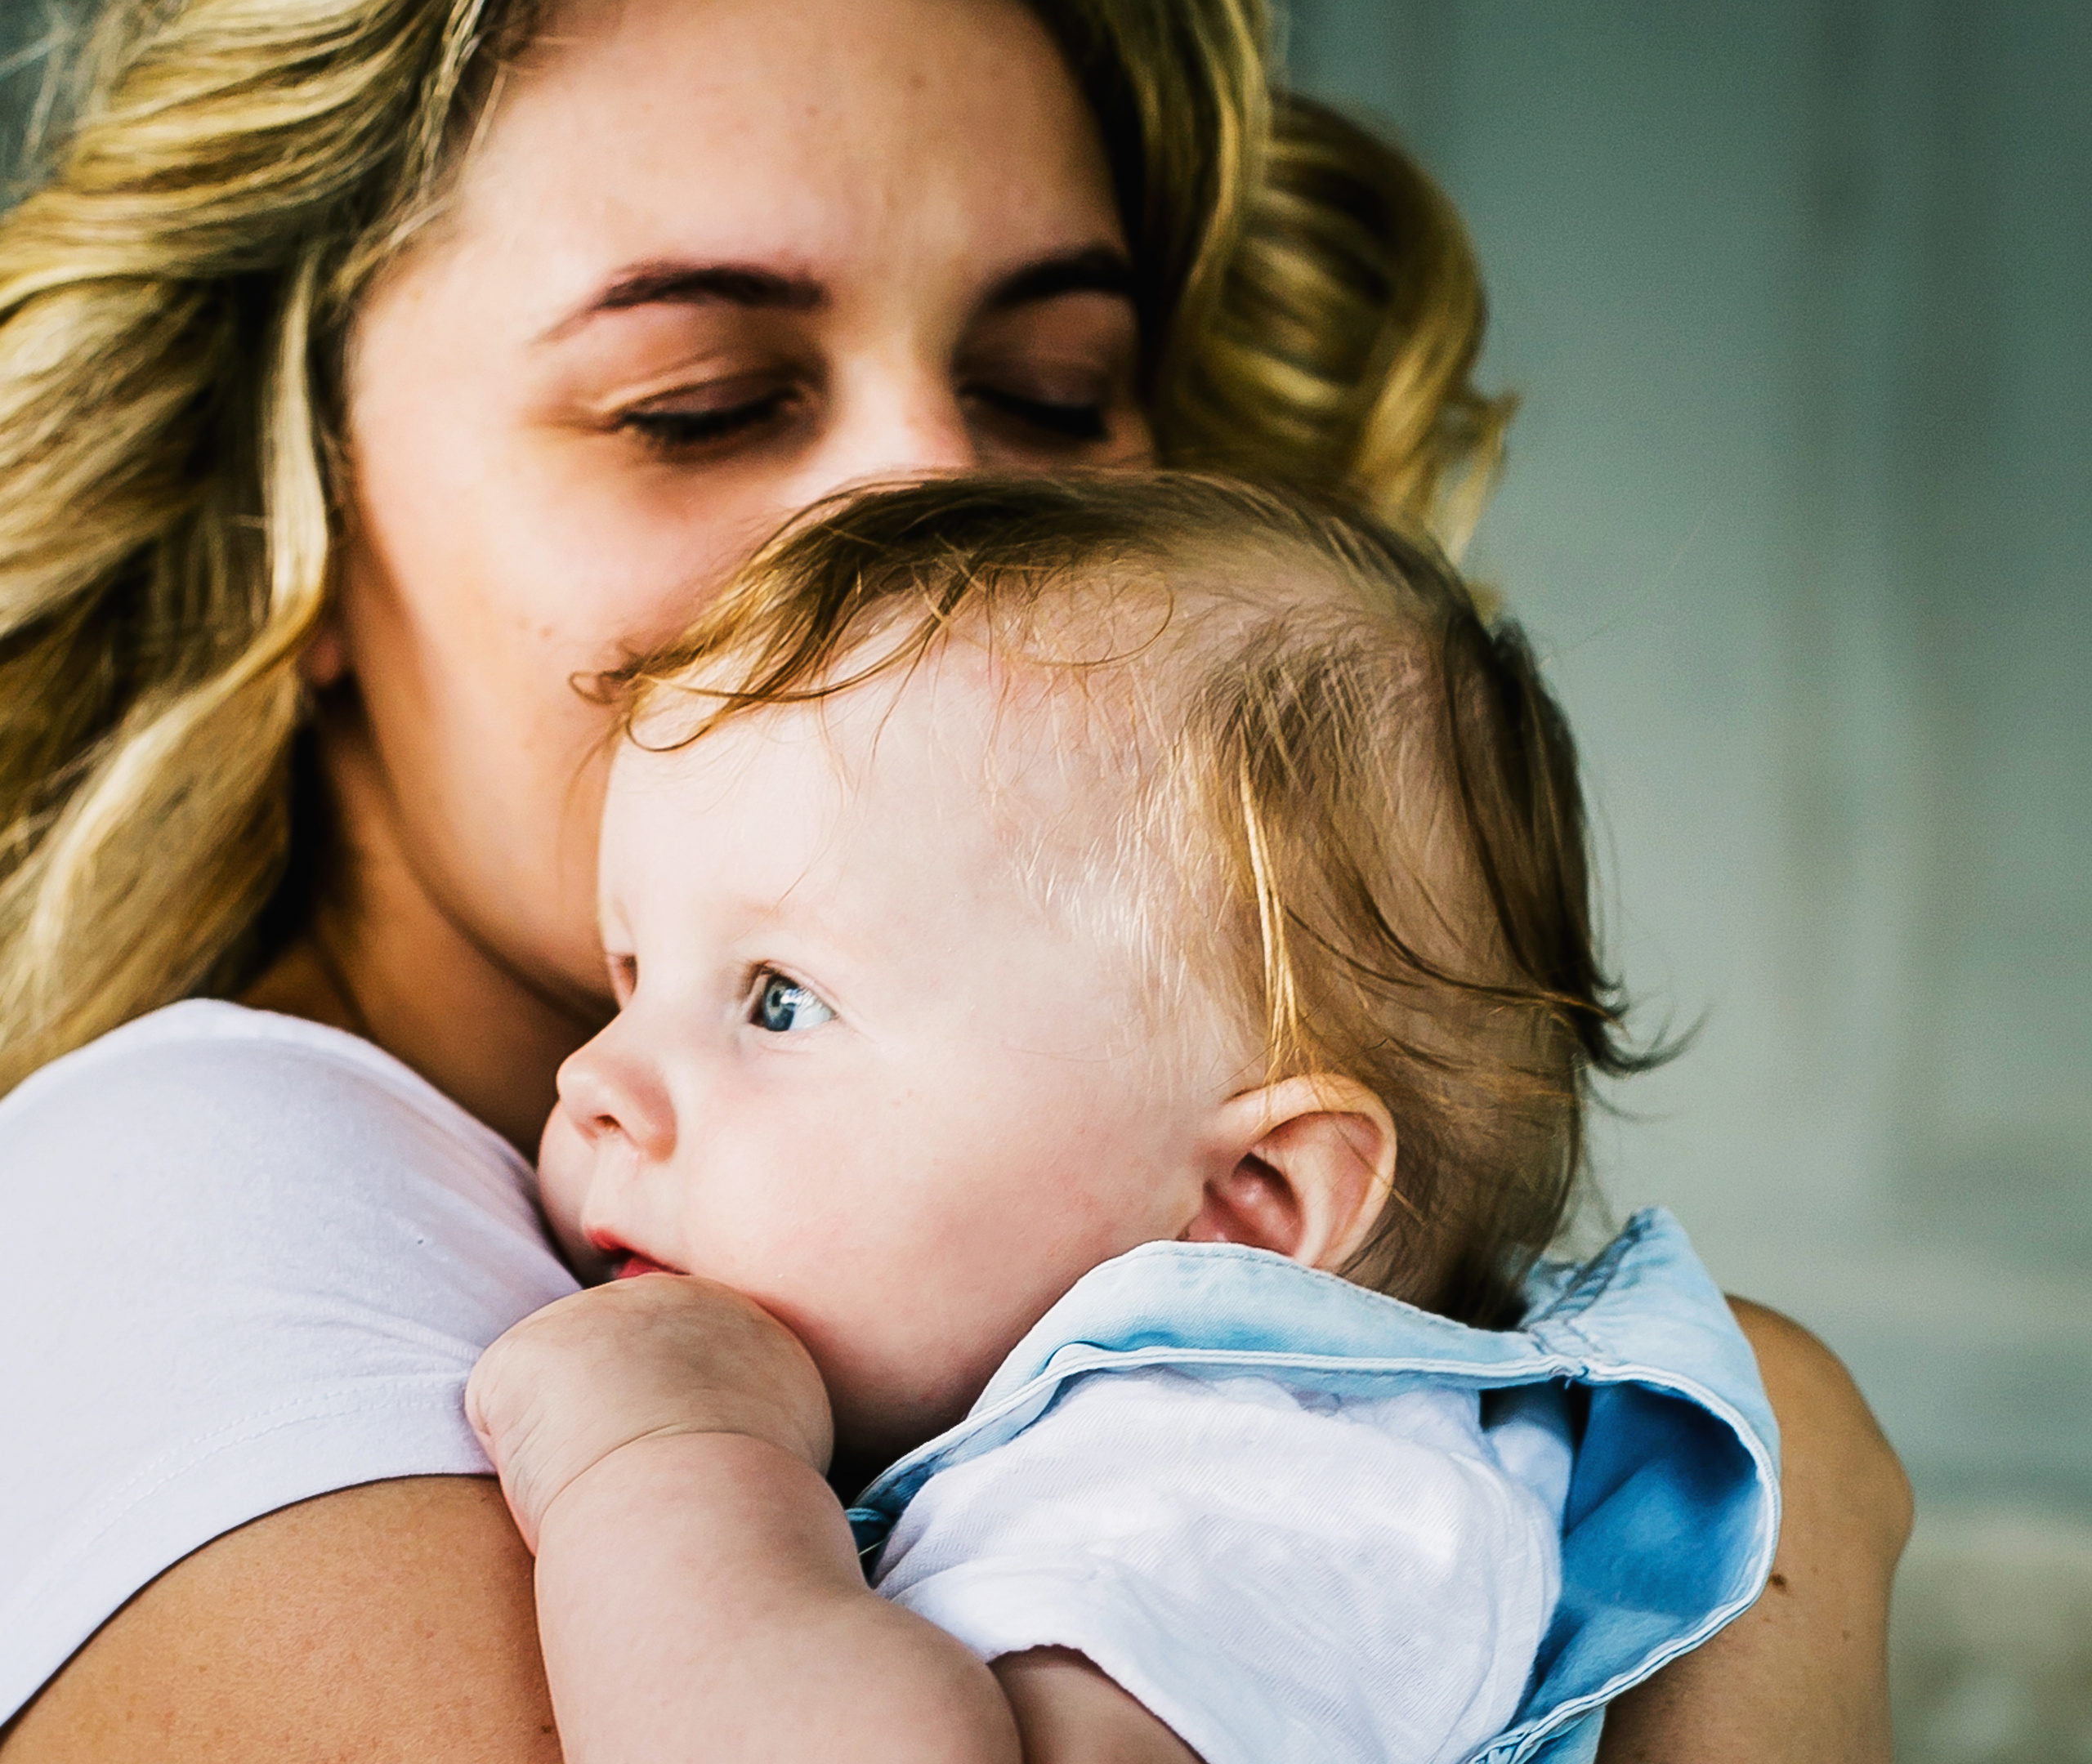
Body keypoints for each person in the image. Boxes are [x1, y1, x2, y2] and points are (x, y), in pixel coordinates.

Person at [0, 0, 1907, 1757]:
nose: (924, 514)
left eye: (1050, 392)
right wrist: (1771, 1462)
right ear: (293, 507)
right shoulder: (189, 1187)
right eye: (700, 403)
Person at [465, 469, 1784, 1764]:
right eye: (629, 975)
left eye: (782, 1003)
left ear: (1245, 1204)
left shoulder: (1268, 1489)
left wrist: (664, 1461)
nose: (594, 1079)